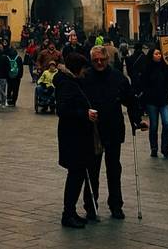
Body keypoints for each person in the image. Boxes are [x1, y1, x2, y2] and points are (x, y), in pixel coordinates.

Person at [81, 45, 147, 221]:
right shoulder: (85, 77)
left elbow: (130, 100)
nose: (99, 63)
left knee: (114, 169)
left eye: (102, 60)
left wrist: (137, 119)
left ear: (107, 58)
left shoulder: (118, 77)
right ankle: (91, 206)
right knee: (92, 170)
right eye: (95, 61)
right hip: (93, 131)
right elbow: (78, 101)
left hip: (113, 128)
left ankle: (116, 205)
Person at [55, 50, 97, 227]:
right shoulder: (67, 84)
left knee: (77, 174)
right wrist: (84, 114)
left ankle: (71, 212)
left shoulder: (71, 81)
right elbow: (63, 110)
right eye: (83, 69)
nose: (85, 72)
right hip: (72, 137)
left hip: (76, 136)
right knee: (75, 174)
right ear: (77, 69)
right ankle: (68, 213)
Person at [139, 45, 168, 158]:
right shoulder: (147, 69)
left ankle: (164, 147)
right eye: (156, 54)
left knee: (167, 123)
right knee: (154, 125)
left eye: (159, 54)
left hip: (164, 100)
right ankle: (154, 147)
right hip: (152, 101)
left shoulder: (165, 68)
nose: (159, 56)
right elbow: (143, 84)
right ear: (151, 55)